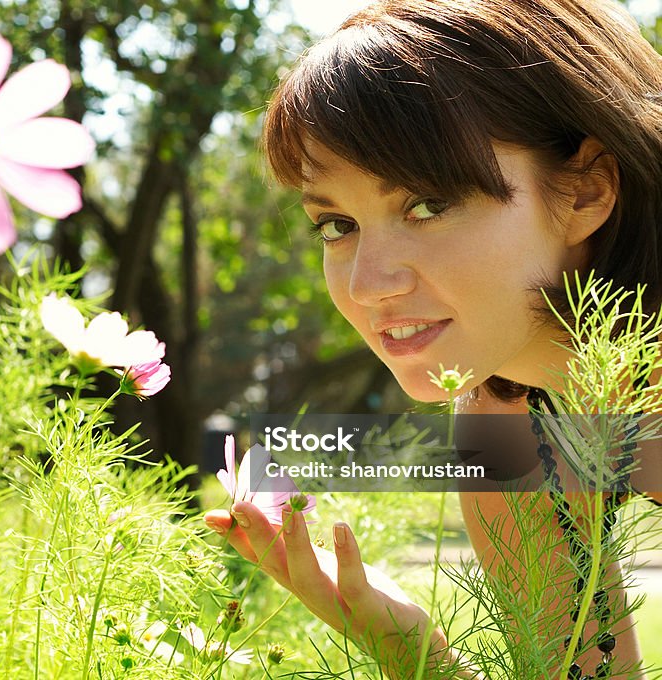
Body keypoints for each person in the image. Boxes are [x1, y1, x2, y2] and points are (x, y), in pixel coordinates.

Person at [203, 1, 662, 678]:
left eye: (426, 205)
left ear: (586, 190)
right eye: (336, 224)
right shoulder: (505, 421)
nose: (366, 285)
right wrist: (413, 653)